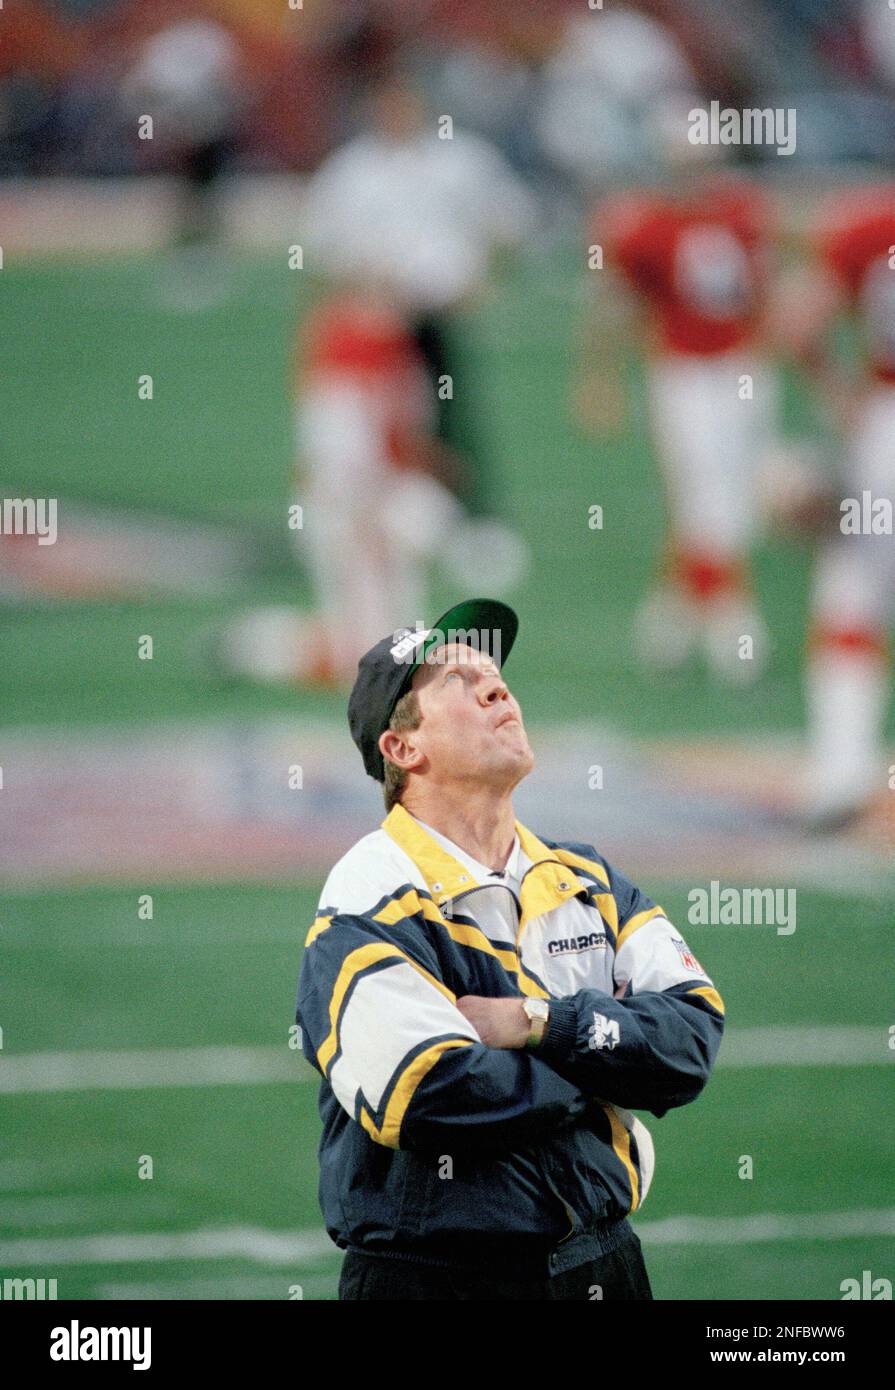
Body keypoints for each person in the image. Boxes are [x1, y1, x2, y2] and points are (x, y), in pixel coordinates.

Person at [295, 598, 725, 1300]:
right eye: (458, 682)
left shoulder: (587, 878)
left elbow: (690, 1042)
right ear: (402, 748)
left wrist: (541, 1025)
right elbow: (430, 1093)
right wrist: (607, 1059)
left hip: (605, 1264)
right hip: (438, 1282)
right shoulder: (368, 893)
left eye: (493, 674)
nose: (496, 688)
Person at [583, 121, 779, 684]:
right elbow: (616, 303)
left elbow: (767, 286)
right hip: (684, 374)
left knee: (739, 506)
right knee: (703, 498)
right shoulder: (646, 226)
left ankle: (668, 619)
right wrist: (601, 377)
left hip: (742, 368)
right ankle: (734, 632)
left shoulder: (742, 213)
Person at [774, 186, 895, 829]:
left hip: (888, 427)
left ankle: (843, 773)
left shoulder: (869, 222)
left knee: (851, 595)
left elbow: (797, 319)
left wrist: (841, 394)